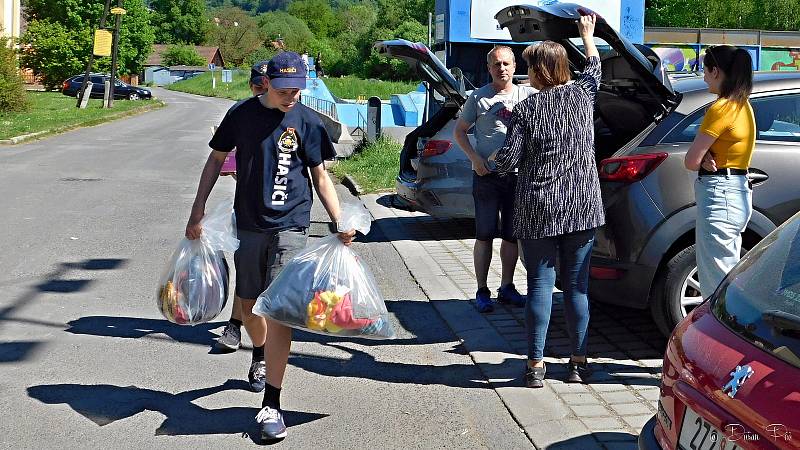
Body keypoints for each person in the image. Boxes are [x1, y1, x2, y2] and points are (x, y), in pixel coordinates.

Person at [185, 51, 355, 441]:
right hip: (249, 223)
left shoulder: (309, 122)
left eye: (298, 89)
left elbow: (320, 176)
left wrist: (338, 218)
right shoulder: (241, 116)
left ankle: (272, 404)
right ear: (267, 83)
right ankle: (258, 353)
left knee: (279, 309)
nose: (291, 96)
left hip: (291, 224)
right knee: (248, 304)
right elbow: (215, 161)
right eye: (284, 89)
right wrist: (197, 211)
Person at [492, 15, 602, 388]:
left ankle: (535, 366)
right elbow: (595, 68)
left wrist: (490, 158)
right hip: (582, 207)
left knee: (539, 286)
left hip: (538, 207)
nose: (525, 73)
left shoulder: (525, 110)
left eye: (527, 67)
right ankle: (578, 363)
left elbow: (507, 161)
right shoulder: (583, 96)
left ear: (540, 71)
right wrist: (587, 36)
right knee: (576, 288)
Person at [452, 45, 535, 313]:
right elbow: (460, 132)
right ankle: (481, 290)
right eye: (496, 64)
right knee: (485, 234)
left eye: (507, 64)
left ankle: (507, 287)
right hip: (487, 176)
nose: (502, 69)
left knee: (511, 236)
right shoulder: (478, 98)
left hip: (517, 177)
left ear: (515, 67)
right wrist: (475, 159)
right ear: (489, 68)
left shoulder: (527, 95)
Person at [684, 45, 755, 298]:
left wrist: (702, 159)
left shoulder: (720, 109)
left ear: (715, 71)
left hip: (719, 194)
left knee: (715, 282)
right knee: (727, 272)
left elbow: (691, 160)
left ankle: (715, 336)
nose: (703, 77)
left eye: (704, 70)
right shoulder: (743, 105)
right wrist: (705, 158)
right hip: (736, 192)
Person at [213, 61, 271, 353]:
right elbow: (222, 156)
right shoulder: (241, 113)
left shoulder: (287, 113)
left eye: (266, 85)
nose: (262, 90)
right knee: (247, 272)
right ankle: (236, 326)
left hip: (279, 210)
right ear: (251, 85)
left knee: (265, 276)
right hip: (247, 206)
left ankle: (250, 331)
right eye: (257, 85)